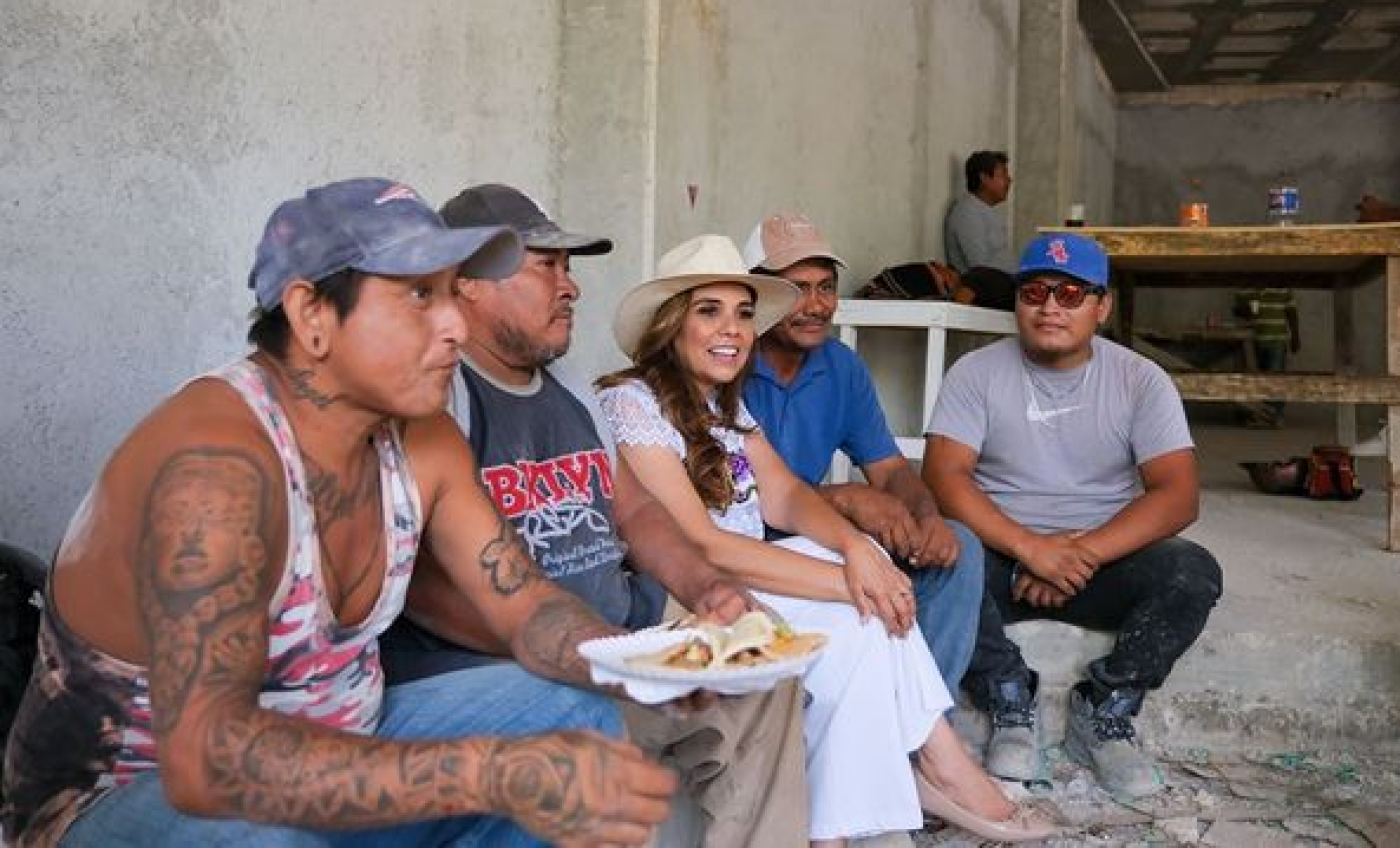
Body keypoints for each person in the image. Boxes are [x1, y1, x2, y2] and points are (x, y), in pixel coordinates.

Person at [1, 178, 679, 848]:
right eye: (419, 295)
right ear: (312, 316)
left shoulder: (423, 437)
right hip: (129, 801)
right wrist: (489, 771)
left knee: (573, 712)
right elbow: (206, 762)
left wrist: (654, 660)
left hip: (341, 750)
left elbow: (527, 608)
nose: (453, 323)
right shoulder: (213, 466)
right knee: (261, 839)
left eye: (451, 292)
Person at [378, 183, 810, 848]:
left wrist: (706, 588)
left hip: (609, 641)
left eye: (569, 267)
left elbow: (635, 511)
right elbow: (420, 587)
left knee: (761, 671)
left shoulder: (571, 385)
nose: (570, 285)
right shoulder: (444, 394)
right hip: (507, 670)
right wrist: (590, 653)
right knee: (576, 715)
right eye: (545, 264)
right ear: (467, 283)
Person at [596, 235, 1059, 847]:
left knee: (858, 603)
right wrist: (851, 579)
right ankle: (930, 766)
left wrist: (857, 552)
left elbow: (788, 496)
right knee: (858, 608)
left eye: (741, 313)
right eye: (708, 311)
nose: (731, 329)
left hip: (743, 578)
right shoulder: (632, 402)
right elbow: (701, 545)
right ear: (671, 324)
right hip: (687, 593)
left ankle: (849, 818)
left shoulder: (722, 404)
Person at [922, 232, 1223, 800]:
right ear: (1017, 301)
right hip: (1000, 558)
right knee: (935, 561)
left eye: (1070, 294)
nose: (1050, 307)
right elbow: (944, 477)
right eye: (1034, 291)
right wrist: (1029, 549)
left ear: (1101, 306)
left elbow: (1178, 495)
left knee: (1192, 572)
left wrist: (1075, 555)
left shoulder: (1140, 380)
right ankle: (1007, 694)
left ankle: (1106, 706)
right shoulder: (976, 373)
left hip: (1101, 561)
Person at [740, 213, 983, 691]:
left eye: (826, 287)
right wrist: (844, 499)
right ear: (761, 296)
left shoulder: (841, 366)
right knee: (866, 564)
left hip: (821, 535)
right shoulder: (729, 359)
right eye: (796, 289)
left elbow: (890, 470)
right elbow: (734, 502)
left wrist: (926, 516)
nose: (815, 305)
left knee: (958, 546)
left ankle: (925, 716)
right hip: (752, 543)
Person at [942, 150, 1016, 309]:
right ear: (984, 178)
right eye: (1003, 174)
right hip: (986, 290)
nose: (1010, 180)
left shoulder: (987, 211)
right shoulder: (967, 212)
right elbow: (980, 267)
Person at [1232, 288, 1299, 427]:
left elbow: (1291, 312)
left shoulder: (1282, 288)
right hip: (1252, 340)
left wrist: (1295, 336)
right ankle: (1259, 414)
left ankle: (1275, 415)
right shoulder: (1246, 288)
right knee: (1254, 377)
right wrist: (1245, 311)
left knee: (1275, 378)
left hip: (1277, 339)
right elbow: (1237, 310)